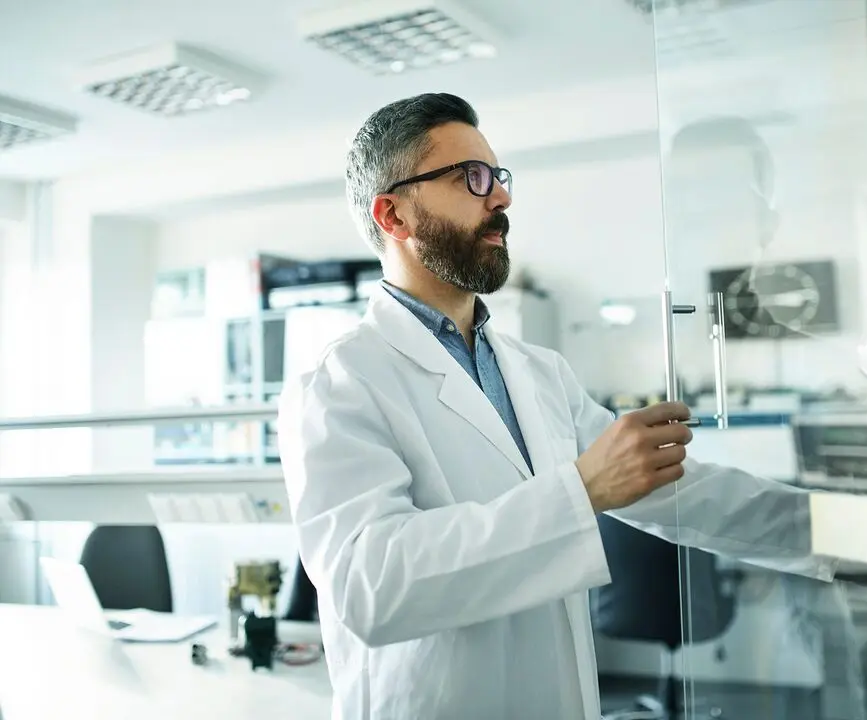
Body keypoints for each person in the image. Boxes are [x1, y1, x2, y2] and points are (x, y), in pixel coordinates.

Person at [277, 93, 838, 720]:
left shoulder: (538, 372)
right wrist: (581, 490)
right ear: (395, 215)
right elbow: (370, 588)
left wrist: (862, 534)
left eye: (498, 177)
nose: (502, 198)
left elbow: (686, 494)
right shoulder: (339, 381)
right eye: (472, 178)